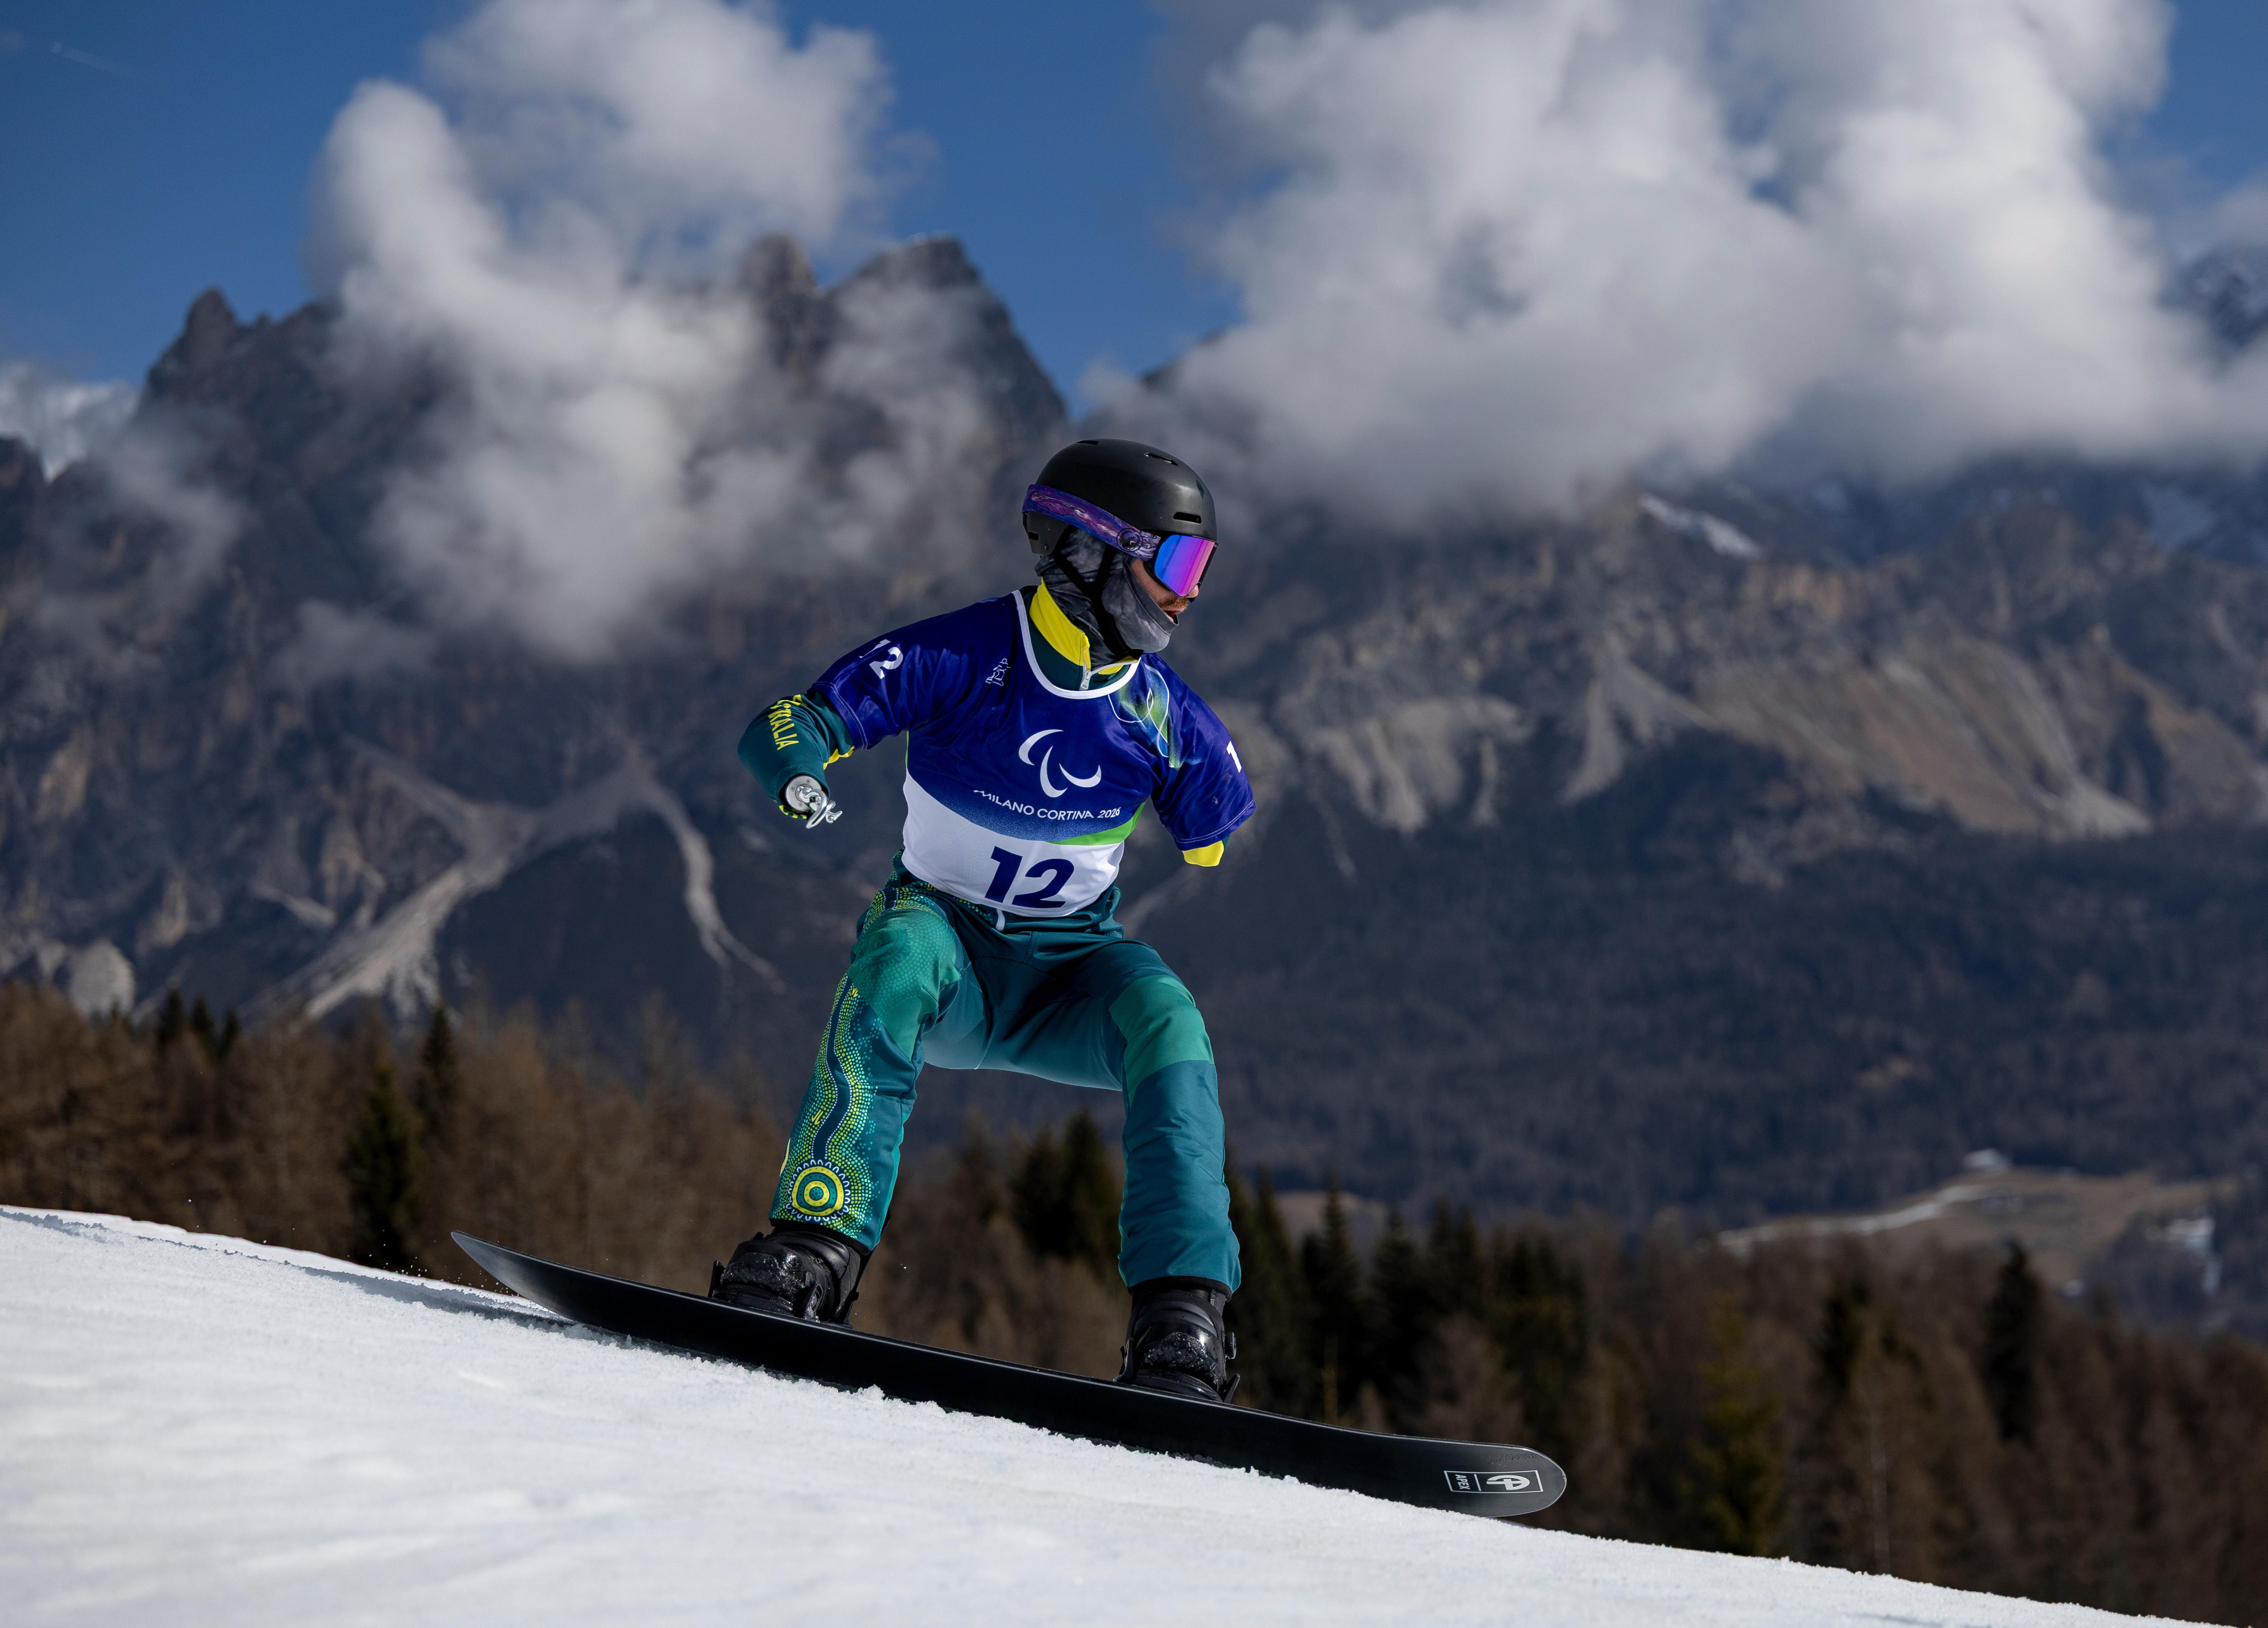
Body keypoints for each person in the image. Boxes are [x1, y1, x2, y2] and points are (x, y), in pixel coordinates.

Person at [712, 437, 1255, 1402]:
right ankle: (814, 1246)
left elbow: (1214, 832)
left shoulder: (1166, 717)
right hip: (948, 959)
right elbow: (787, 726)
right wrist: (799, 771)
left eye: (1201, 569)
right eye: (1175, 564)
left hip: (1067, 980)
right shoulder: (964, 654)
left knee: (1168, 1018)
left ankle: (1182, 1320)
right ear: (1087, 553)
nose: (1189, 595)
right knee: (896, 952)